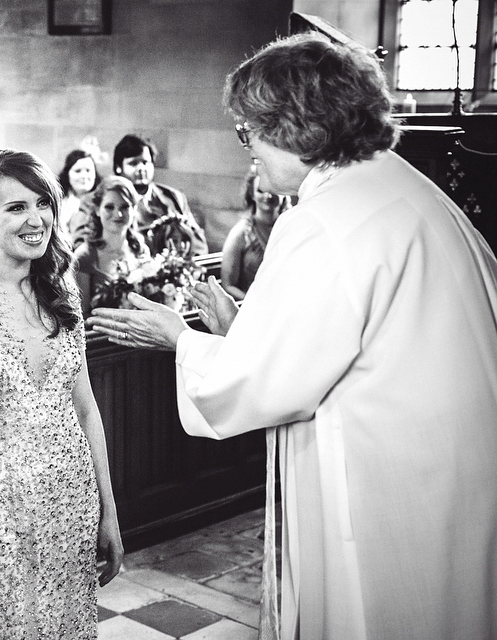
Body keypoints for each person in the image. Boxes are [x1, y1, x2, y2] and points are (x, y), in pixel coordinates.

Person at [88, 33, 497, 640]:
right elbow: (331, 347)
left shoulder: (319, 222)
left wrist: (181, 338)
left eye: (248, 130)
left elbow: (266, 386)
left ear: (296, 127)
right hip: (447, 469)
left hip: (382, 486)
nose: (248, 148)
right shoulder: (407, 190)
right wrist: (243, 330)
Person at [0, 150, 123, 638]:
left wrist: (108, 511)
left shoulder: (61, 288)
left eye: (43, 203)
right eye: (16, 208)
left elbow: (86, 408)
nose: (37, 220)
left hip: (70, 501)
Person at [78, 134, 207, 256]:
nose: (141, 168)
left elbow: (198, 245)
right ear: (118, 167)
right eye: (133, 163)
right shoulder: (94, 200)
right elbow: (80, 243)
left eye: (145, 162)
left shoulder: (174, 198)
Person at [74, 176, 149, 317]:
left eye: (125, 207)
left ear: (134, 209)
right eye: (109, 207)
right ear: (97, 209)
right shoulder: (84, 257)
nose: (118, 214)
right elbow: (82, 317)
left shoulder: (140, 250)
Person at [220, 165, 290, 300]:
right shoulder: (240, 233)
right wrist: (255, 304)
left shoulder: (291, 229)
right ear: (252, 194)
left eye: (274, 191)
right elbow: (228, 285)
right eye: (261, 191)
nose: (268, 196)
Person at [59, 149, 101, 244]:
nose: (84, 176)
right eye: (78, 171)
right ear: (67, 174)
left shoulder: (104, 201)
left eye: (88, 170)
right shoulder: (59, 203)